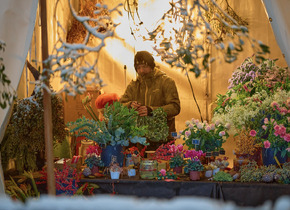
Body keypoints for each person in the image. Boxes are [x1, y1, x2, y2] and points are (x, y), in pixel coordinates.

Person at [119, 51, 181, 150]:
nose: (141, 71)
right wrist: (130, 105)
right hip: (139, 139)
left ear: (152, 66)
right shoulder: (134, 85)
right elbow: (120, 105)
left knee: (162, 165)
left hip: (162, 138)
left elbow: (175, 107)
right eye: (138, 68)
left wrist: (152, 111)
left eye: (144, 66)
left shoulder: (166, 82)